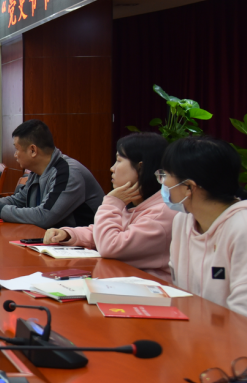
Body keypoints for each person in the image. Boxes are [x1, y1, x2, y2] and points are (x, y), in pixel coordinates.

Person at [43, 133, 175, 278]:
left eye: (118, 161)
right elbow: (104, 232)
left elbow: (110, 245)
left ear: (140, 168)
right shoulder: (138, 202)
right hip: (124, 280)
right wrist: (68, 234)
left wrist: (112, 202)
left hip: (149, 288)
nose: (112, 168)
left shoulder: (161, 213)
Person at [160, 137, 247, 317]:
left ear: (189, 187)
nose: (163, 182)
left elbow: (242, 314)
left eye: (166, 175)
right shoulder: (182, 221)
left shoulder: (241, 228)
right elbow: (179, 291)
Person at [0, 120, 105, 227]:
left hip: (81, 246)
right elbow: (19, 200)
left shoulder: (68, 173)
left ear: (33, 150)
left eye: (17, 149)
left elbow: (45, 216)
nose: (15, 155)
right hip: (51, 238)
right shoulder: (37, 172)